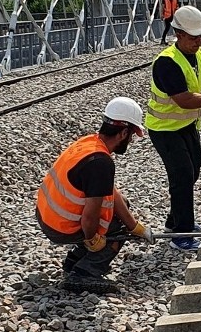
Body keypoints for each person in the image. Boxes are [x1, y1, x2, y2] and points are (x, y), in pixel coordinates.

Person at [35, 96, 153, 295]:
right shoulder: (101, 163)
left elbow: (111, 193)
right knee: (118, 229)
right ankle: (85, 273)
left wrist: (137, 227)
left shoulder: (89, 143)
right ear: (123, 132)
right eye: (131, 135)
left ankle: (75, 260)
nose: (130, 141)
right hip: (60, 227)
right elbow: (89, 218)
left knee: (123, 206)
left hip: (47, 215)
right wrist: (93, 240)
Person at [145, 5, 201, 252]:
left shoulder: (197, 53)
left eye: (200, 36)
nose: (198, 41)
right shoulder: (166, 62)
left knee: (195, 166)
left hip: (186, 125)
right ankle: (181, 233)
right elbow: (184, 99)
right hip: (164, 129)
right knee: (182, 175)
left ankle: (175, 221)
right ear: (179, 34)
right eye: (194, 37)